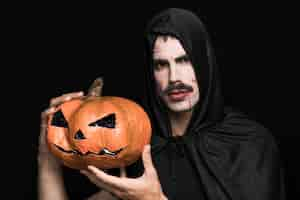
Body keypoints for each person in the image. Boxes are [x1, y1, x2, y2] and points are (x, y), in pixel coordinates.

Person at [38, 8, 285, 200]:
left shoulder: (248, 144)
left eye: (184, 60)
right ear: (150, 72)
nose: (174, 77)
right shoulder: (136, 144)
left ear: (204, 63)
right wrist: (48, 158)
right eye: (161, 65)